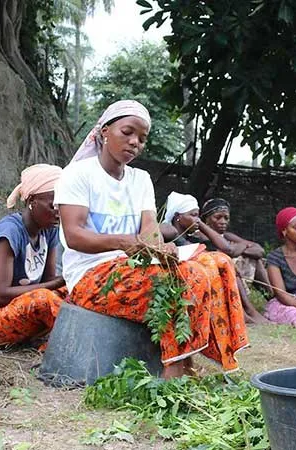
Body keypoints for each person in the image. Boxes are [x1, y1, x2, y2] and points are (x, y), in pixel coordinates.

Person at [55, 100, 249, 379]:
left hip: (134, 265)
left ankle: (203, 360)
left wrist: (161, 247)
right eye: (127, 132)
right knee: (185, 276)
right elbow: (74, 236)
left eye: (142, 138)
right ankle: (173, 372)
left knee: (217, 263)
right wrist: (124, 243)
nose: (135, 142)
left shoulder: (140, 179)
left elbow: (149, 230)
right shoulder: (78, 174)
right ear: (104, 131)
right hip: (91, 276)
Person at [0, 164, 66, 347]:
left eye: (63, 204)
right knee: (43, 299)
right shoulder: (9, 233)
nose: (59, 211)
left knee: (73, 290)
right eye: (53, 205)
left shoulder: (49, 230)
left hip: (12, 309)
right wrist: (55, 283)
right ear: (32, 200)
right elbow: (0, 295)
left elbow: (48, 280)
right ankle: (64, 345)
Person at [159, 192, 270, 324]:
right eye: (193, 215)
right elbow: (228, 249)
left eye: (198, 216)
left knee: (226, 262)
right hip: (185, 279)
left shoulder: (190, 237)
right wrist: (202, 224)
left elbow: (254, 250)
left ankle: (254, 307)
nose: (197, 220)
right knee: (224, 261)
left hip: (201, 274)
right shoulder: (173, 233)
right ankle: (246, 311)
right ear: (178, 216)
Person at [199, 197, 270, 288]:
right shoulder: (201, 236)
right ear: (206, 219)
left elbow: (260, 251)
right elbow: (230, 251)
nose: (223, 222)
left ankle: (272, 295)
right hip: (214, 272)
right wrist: (242, 247)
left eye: (226, 218)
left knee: (256, 258)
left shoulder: (227, 236)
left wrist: (240, 249)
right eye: (218, 217)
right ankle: (270, 295)